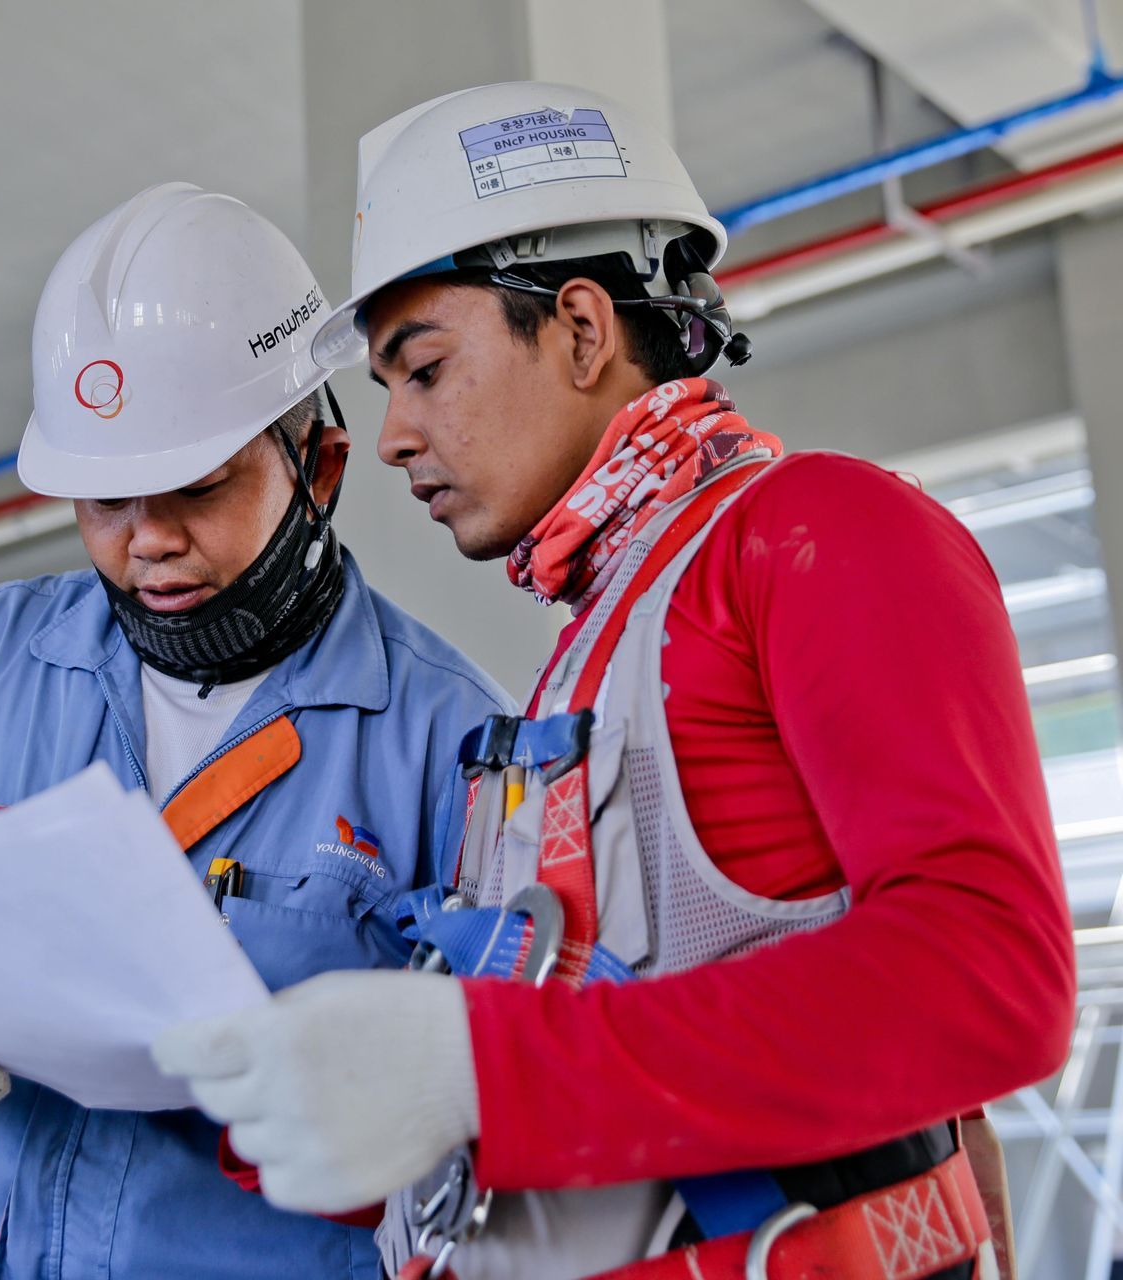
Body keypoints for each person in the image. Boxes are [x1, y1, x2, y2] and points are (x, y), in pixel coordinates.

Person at [154, 84, 1075, 1280]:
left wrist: (477, 1069)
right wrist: (333, 1091)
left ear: (582, 329)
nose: (391, 436)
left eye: (422, 369)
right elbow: (583, 1049)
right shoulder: (589, 659)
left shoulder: (818, 533)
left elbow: (989, 973)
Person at [0, 182, 513, 1278]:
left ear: (321, 468)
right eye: (105, 499)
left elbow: (496, 1096)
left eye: (196, 489)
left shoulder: (449, 738)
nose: (146, 540)